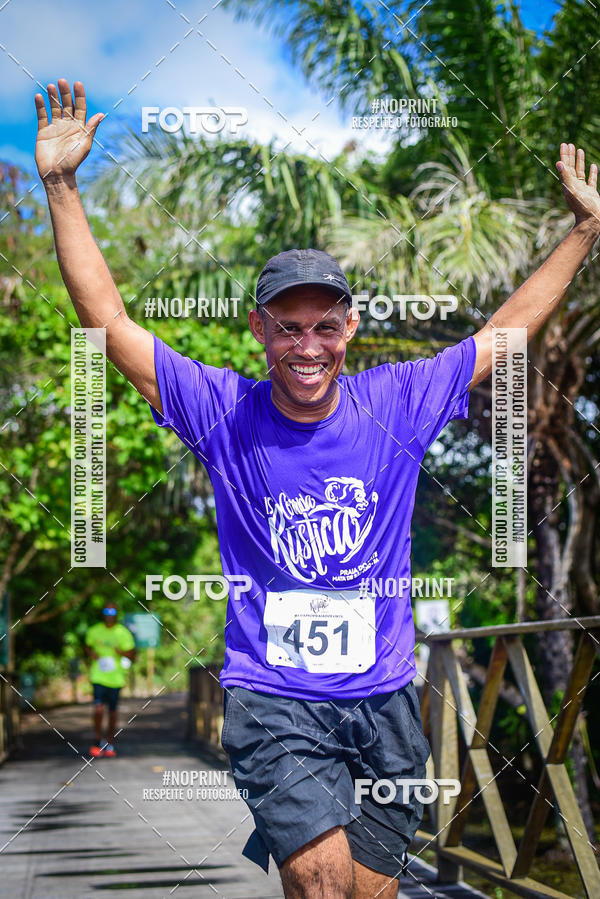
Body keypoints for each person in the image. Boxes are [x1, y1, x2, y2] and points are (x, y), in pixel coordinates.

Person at [35, 79, 600, 898]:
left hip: (385, 705)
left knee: (367, 893)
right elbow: (110, 325)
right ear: (261, 328)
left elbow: (503, 333)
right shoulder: (223, 410)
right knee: (324, 888)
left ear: (351, 328)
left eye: (324, 325)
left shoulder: (397, 402)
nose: (308, 345)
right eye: (288, 326)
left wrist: (586, 230)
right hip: (273, 700)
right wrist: (60, 187)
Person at [84, 602, 136, 758]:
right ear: (103, 614)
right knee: (98, 709)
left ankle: (109, 743)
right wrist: (91, 653)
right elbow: (87, 646)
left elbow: (132, 655)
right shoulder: (94, 631)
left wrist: (121, 652)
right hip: (98, 676)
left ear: (116, 614)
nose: (109, 615)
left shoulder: (123, 633)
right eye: (106, 611)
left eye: (112, 612)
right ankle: (97, 741)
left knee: (112, 712)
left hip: (116, 679)